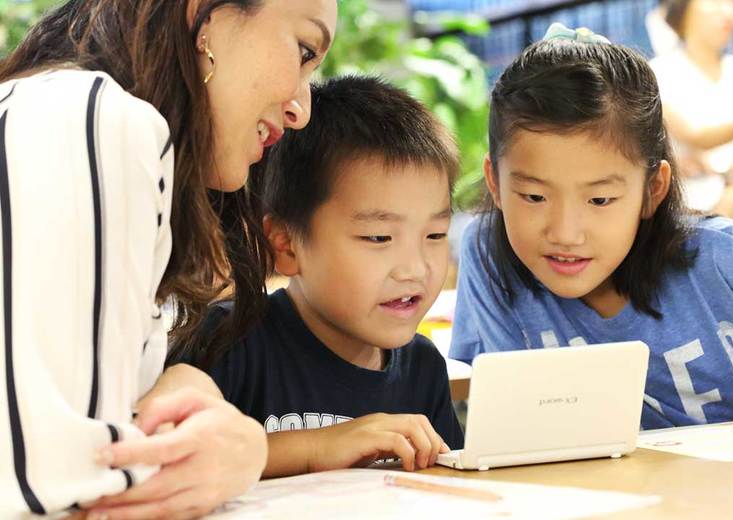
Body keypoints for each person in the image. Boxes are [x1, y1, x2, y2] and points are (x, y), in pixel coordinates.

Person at [0, 0, 337, 517]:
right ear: (206, 15)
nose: (301, 110)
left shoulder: (60, 110)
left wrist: (204, 409)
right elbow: (66, 489)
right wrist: (243, 452)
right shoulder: (93, 118)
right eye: (305, 50)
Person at [449, 24, 733, 430]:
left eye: (600, 200)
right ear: (495, 183)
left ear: (652, 189)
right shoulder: (489, 254)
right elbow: (516, 427)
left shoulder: (724, 258)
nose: (566, 233)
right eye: (534, 197)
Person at [173, 75, 464, 477]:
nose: (415, 268)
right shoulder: (230, 341)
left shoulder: (423, 368)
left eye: (435, 235)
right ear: (287, 245)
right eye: (379, 237)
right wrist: (315, 448)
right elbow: (163, 456)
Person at [650, 0, 733, 240]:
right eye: (717, 1)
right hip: (695, 198)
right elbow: (694, 134)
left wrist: (720, 165)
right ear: (684, 8)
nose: (729, 12)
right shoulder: (658, 74)